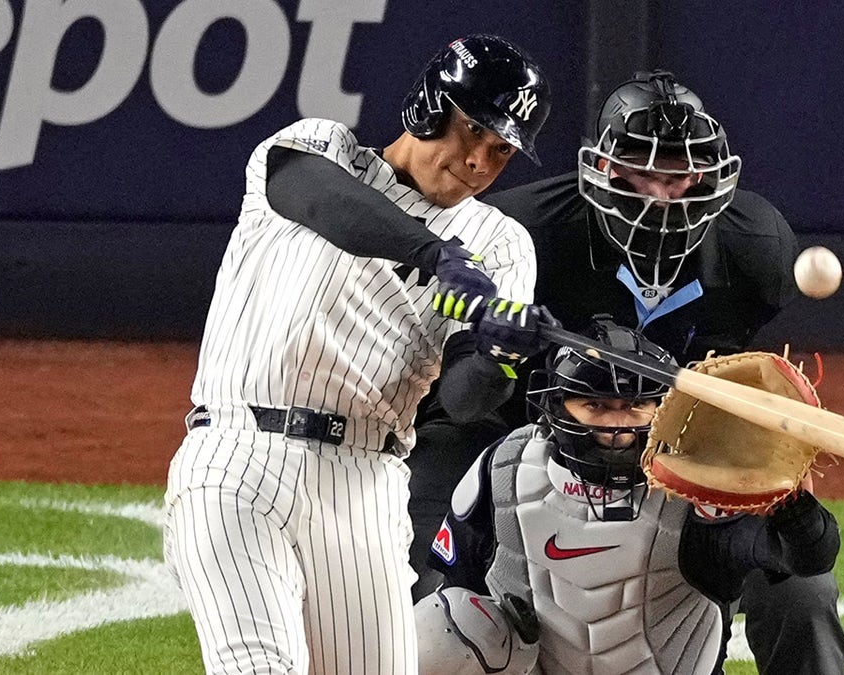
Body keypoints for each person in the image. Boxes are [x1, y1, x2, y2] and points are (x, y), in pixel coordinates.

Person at [406, 71, 844, 673]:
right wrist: (498, 350)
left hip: (665, 445)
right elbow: (459, 397)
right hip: (504, 436)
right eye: (643, 172)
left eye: (679, 176)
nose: (661, 197)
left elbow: (723, 391)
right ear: (603, 169)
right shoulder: (520, 235)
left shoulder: (755, 249)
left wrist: (760, 469)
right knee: (430, 599)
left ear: (713, 178)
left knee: (802, 591)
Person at [162, 34, 556, 674]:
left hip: (366, 486)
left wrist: (498, 356)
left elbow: (462, 399)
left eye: (503, 149)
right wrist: (433, 253)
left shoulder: (500, 243)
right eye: (474, 129)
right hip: (238, 460)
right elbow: (319, 199)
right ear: (431, 105)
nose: (483, 160)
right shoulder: (321, 150)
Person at [412, 318, 841, 675]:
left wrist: (791, 509)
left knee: (806, 593)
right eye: (596, 405)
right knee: (442, 624)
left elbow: (807, 559)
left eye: (634, 407)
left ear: (664, 412)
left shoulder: (695, 493)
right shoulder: (505, 470)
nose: (616, 427)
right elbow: (455, 586)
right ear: (558, 408)